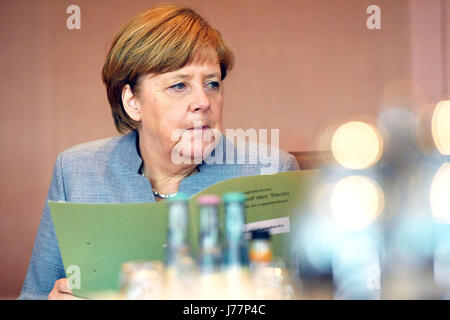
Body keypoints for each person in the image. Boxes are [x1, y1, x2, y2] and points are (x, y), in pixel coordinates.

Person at [18, 4, 299, 300]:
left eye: (212, 84)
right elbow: (34, 295)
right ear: (132, 103)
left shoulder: (270, 170)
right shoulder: (75, 171)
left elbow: (304, 292)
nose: (203, 101)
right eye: (179, 85)